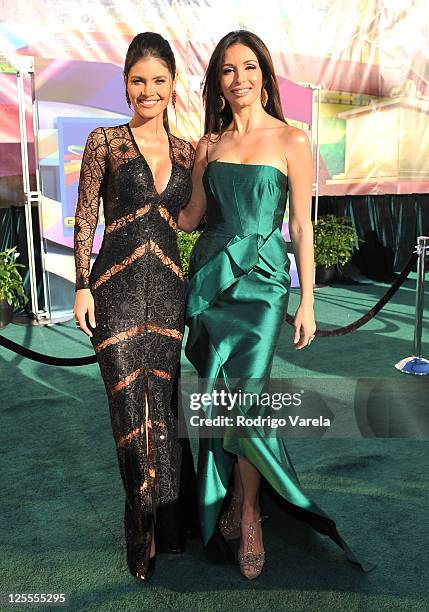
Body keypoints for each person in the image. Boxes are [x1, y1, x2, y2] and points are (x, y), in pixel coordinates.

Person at [179, 30, 375, 579]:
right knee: (220, 398)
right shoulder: (208, 144)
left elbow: (301, 229)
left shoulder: (292, 139)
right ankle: (236, 497)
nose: (238, 79)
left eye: (248, 67)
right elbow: (191, 218)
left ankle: (248, 513)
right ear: (217, 81)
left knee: (246, 399)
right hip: (213, 283)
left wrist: (307, 299)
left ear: (264, 73)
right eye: (227, 70)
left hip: (265, 287)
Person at [73, 32, 197, 582]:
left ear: (173, 87)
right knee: (129, 415)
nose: (148, 90)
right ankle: (139, 531)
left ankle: (169, 526)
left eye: (159, 81)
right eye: (139, 80)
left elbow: (192, 220)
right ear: (126, 84)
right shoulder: (103, 141)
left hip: (169, 291)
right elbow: (84, 218)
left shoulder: (190, 150)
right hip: (115, 293)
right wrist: (80, 285)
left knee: (164, 413)